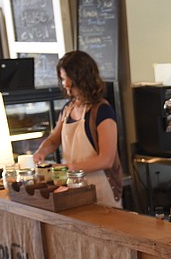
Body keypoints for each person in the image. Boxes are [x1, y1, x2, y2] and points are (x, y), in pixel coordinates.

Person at [32, 50, 123, 208]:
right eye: (63, 79)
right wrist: (41, 152)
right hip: (75, 189)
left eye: (69, 79)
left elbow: (106, 160)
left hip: (101, 190)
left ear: (83, 78)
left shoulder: (102, 111)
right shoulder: (68, 109)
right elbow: (54, 140)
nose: (65, 84)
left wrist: (66, 168)